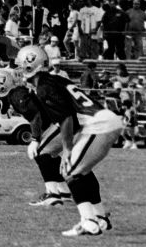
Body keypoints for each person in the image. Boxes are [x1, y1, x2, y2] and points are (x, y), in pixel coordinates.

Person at [13, 45, 120, 236]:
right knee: (82, 171)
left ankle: (88, 222)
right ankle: (100, 217)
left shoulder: (44, 88)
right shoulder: (55, 80)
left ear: (31, 66)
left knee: (69, 169)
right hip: (104, 121)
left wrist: (67, 149)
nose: (20, 70)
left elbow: (66, 118)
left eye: (22, 65)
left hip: (97, 124)